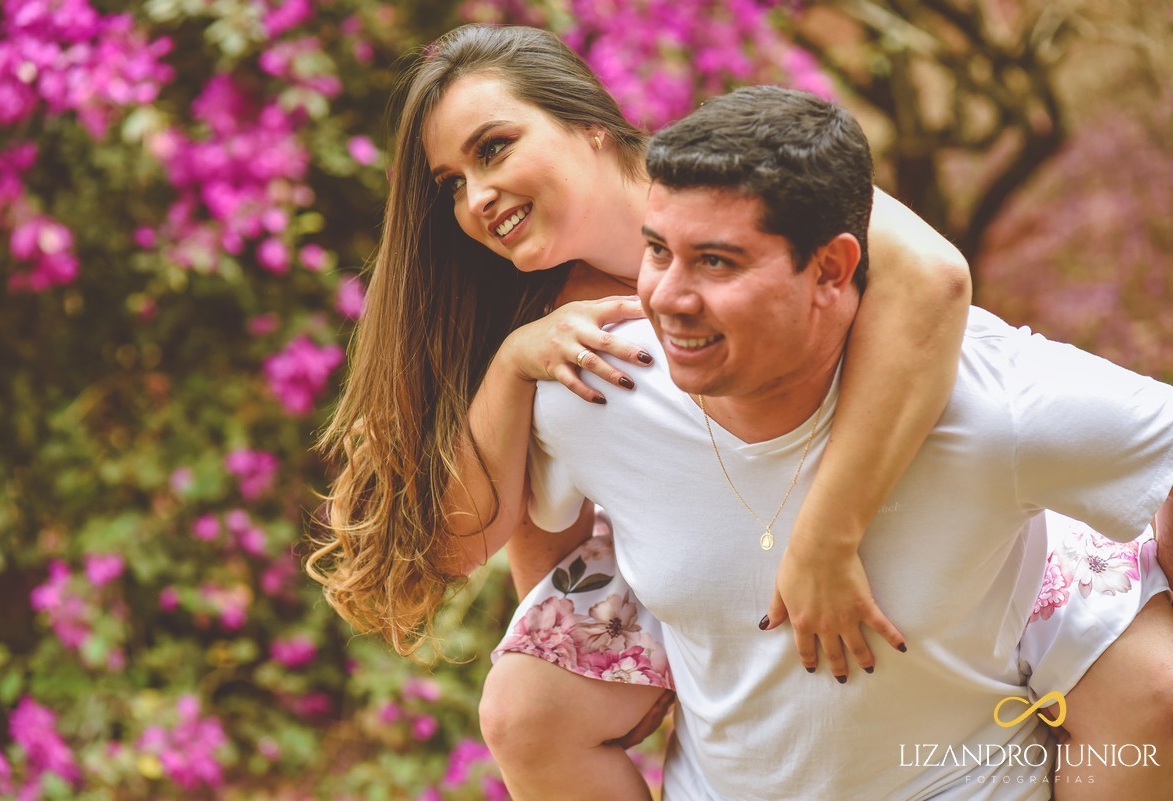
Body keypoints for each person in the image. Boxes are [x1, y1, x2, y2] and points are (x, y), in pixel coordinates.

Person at [305, 24, 1171, 799]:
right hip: (694, 559)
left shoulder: (737, 183)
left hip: (934, 506)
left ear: (589, 124)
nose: (476, 197)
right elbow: (509, 535)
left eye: (493, 148)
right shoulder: (539, 323)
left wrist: (827, 535)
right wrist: (510, 366)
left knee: (1147, 681)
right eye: (452, 182)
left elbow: (932, 278)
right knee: (527, 703)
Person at [519, 83, 1173, 798]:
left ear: (830, 268)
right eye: (656, 251)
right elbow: (519, 531)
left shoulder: (992, 402)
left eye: (716, 262)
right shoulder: (600, 389)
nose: (668, 296)